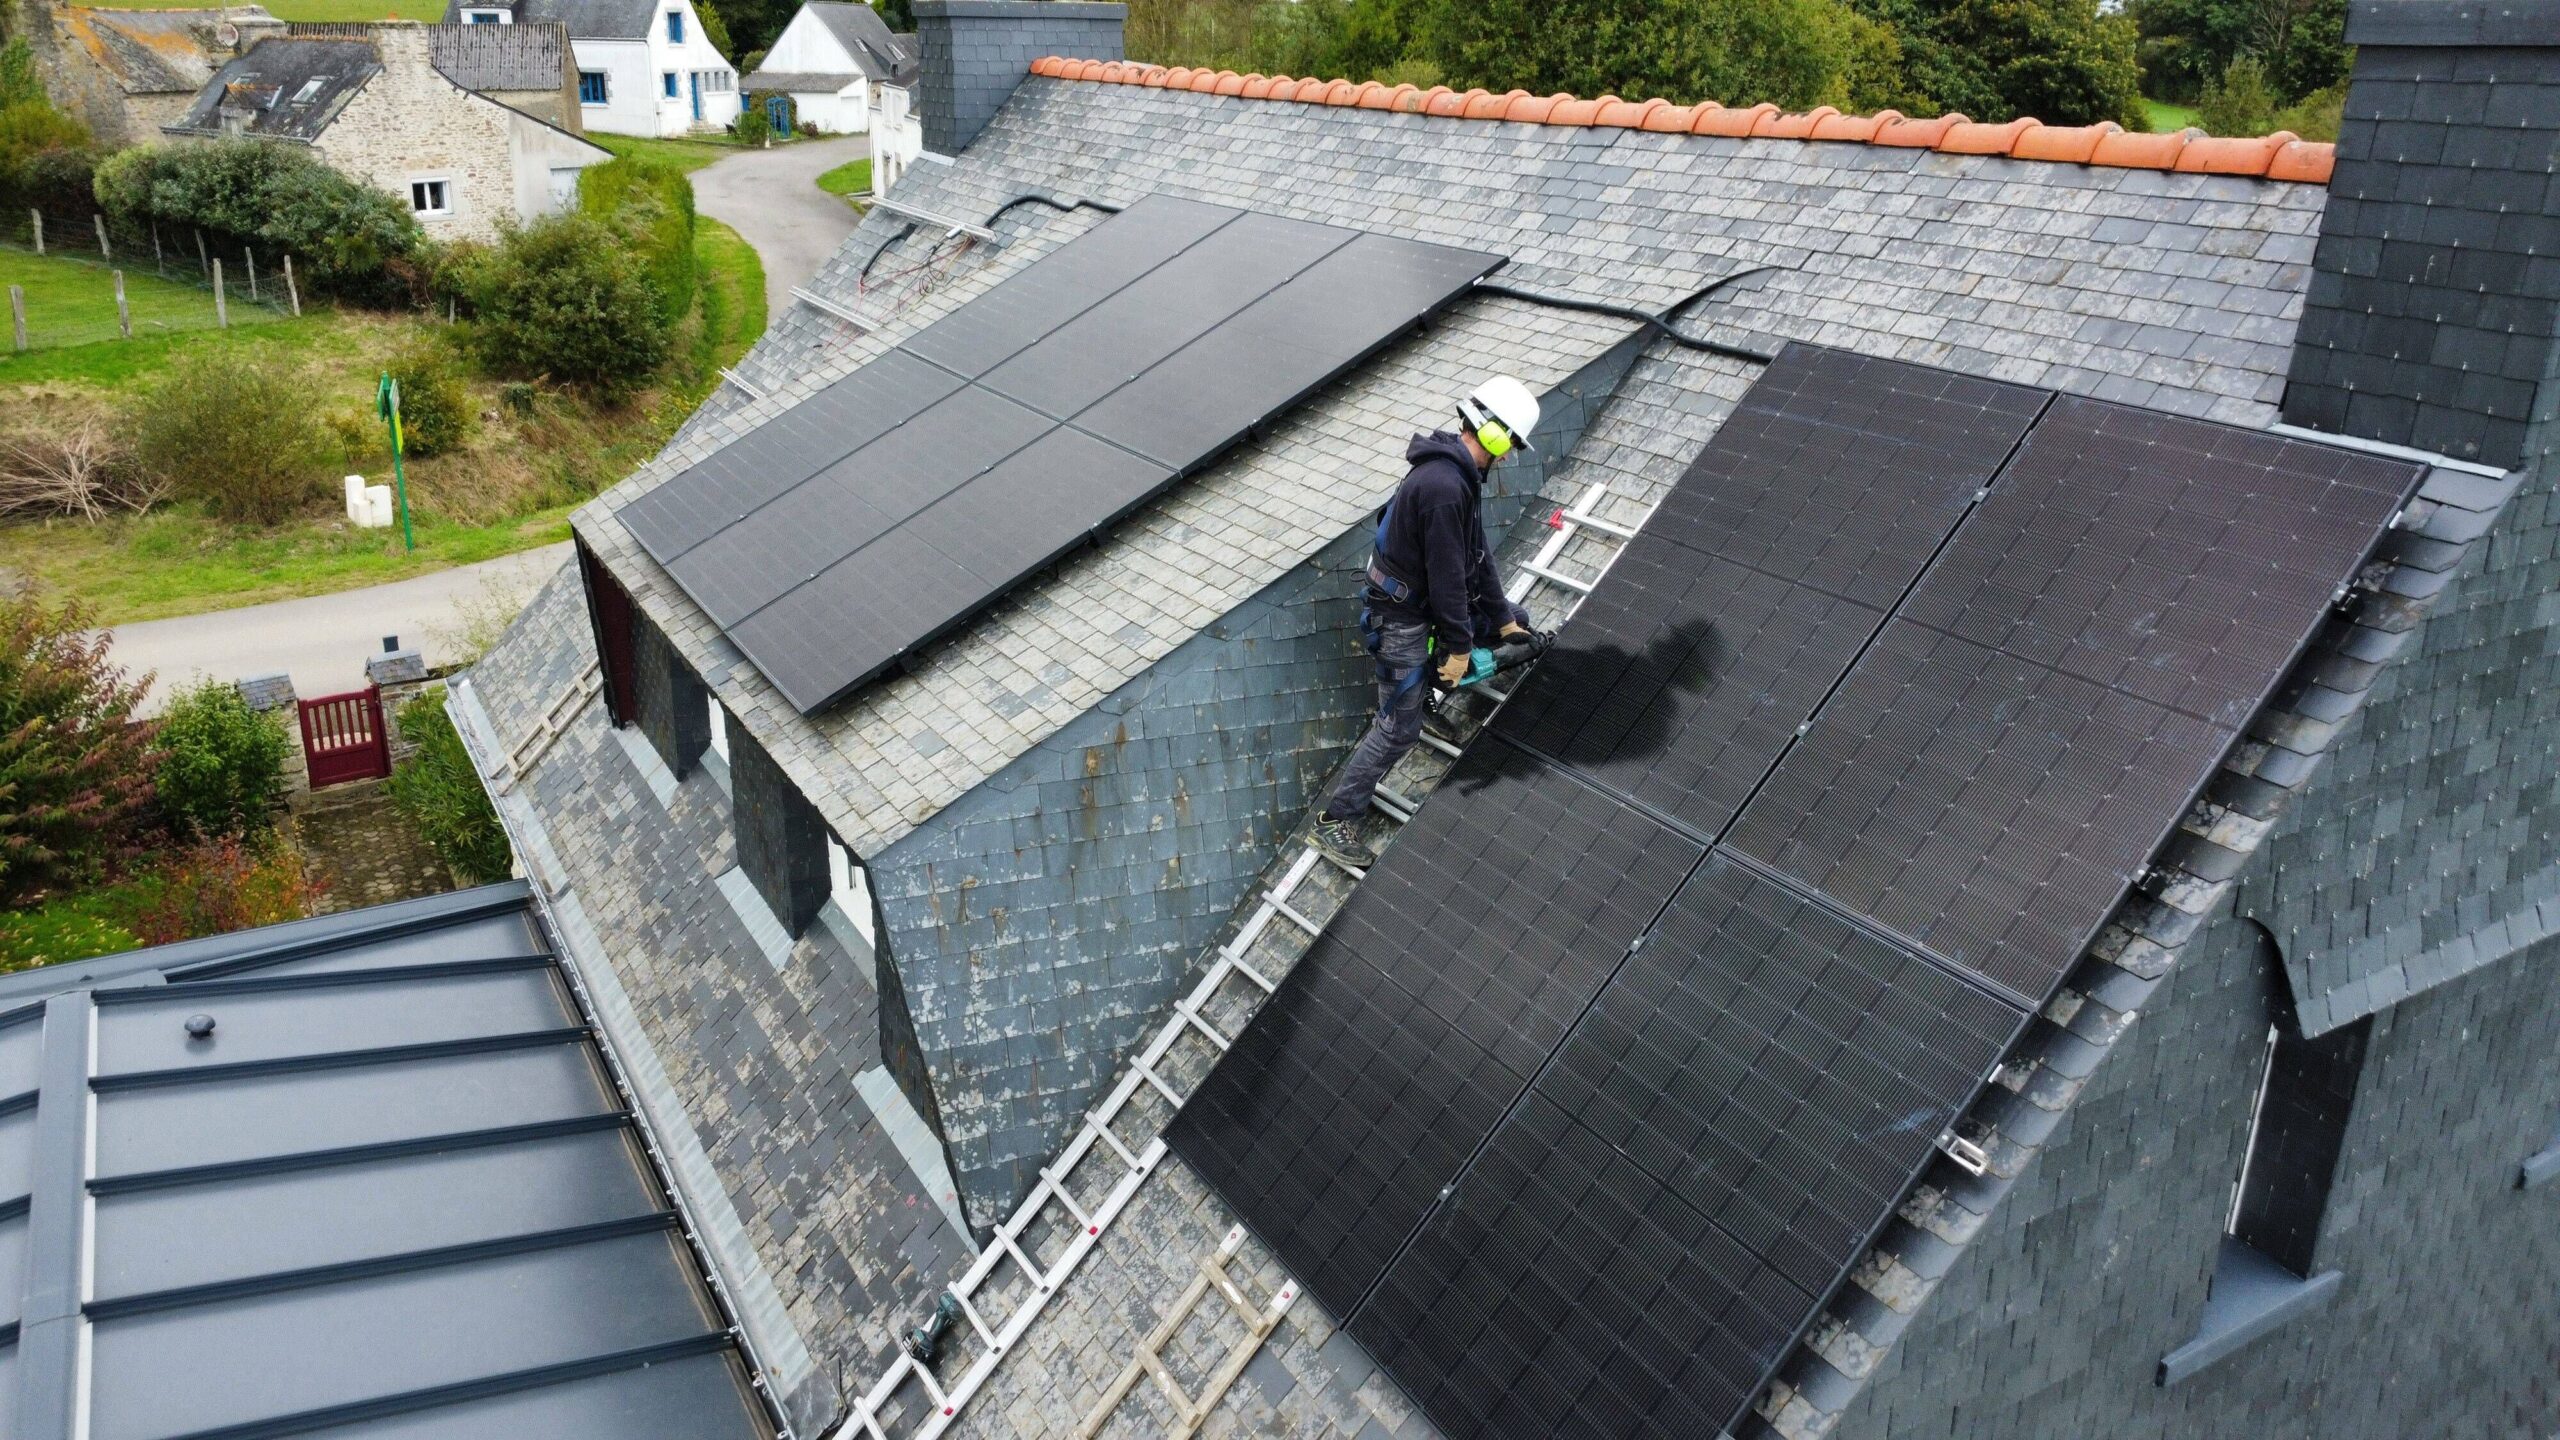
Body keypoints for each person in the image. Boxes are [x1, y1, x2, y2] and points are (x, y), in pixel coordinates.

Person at [1312, 376, 1543, 869]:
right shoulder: (1443, 487)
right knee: (1398, 729)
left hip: (1424, 607)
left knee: (1517, 623)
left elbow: (1475, 560)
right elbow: (1446, 582)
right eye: (1510, 446)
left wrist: (1504, 623)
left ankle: (1432, 687)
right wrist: (1459, 649)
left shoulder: (1458, 476)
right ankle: (1335, 821)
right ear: (1496, 435)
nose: (1508, 458)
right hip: (1400, 618)